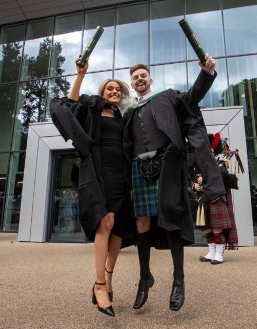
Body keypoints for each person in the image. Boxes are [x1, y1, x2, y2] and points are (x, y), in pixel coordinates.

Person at [123, 54, 225, 311]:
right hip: (139, 167)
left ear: (150, 79)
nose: (139, 80)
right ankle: (144, 277)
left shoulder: (167, 97)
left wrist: (206, 73)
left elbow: (192, 98)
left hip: (166, 165)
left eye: (143, 76)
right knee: (142, 222)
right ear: (133, 84)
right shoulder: (130, 112)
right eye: (135, 78)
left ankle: (178, 281)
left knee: (171, 220)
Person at [50, 56, 134, 317]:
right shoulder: (92, 109)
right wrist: (80, 75)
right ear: (102, 92)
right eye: (110, 88)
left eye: (117, 90)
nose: (114, 91)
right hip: (98, 171)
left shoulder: (123, 116)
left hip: (122, 174)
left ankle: (109, 277)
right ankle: (99, 285)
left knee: (118, 226)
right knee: (105, 222)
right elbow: (70, 104)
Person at [193, 133, 239, 264]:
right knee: (208, 228)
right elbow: (197, 179)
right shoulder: (202, 164)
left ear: (213, 148)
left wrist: (204, 180)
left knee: (217, 228)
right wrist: (195, 185)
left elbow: (222, 176)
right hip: (204, 199)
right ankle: (211, 252)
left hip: (216, 198)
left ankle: (219, 254)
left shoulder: (220, 162)